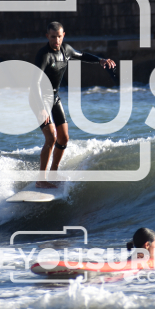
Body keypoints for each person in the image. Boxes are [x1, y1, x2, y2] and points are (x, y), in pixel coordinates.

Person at [31, 22, 116, 188]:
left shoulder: (66, 50)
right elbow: (35, 84)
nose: (56, 40)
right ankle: (41, 180)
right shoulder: (44, 55)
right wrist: (41, 108)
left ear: (63, 35)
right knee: (51, 137)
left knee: (63, 137)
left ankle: (53, 173)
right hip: (39, 98)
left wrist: (100, 60)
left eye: (59, 36)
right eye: (53, 37)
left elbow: (82, 55)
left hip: (54, 98)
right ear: (47, 36)